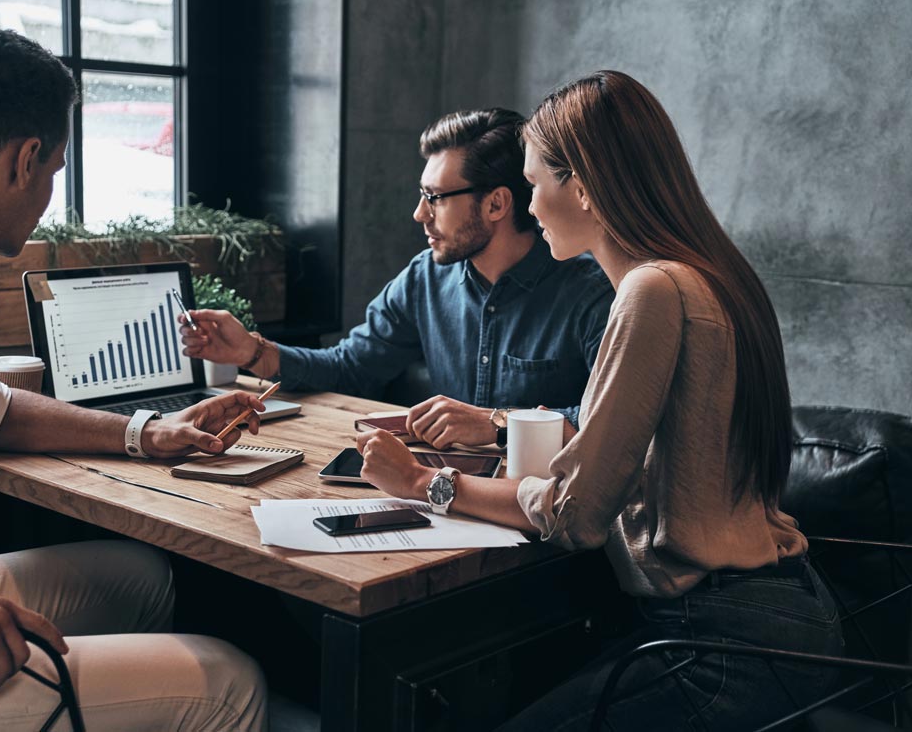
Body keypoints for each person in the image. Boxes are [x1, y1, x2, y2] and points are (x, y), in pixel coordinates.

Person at [356, 70, 844, 730]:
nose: (526, 207)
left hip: (721, 642)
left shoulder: (652, 292)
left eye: (533, 184)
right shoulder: (711, 274)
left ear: (581, 187)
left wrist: (423, 482)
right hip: (782, 613)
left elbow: (575, 515)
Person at [0, 27, 266, 731]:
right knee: (230, 682)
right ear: (25, 159)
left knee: (144, 575)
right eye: (56, 171)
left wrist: (149, 432)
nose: (50, 192)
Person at [180, 109, 613, 449]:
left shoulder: (591, 294)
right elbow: (351, 368)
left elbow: (608, 425)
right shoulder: (425, 278)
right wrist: (251, 350)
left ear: (496, 205)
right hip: (444, 496)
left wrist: (496, 423)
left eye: (435, 198)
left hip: (543, 516)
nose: (419, 214)